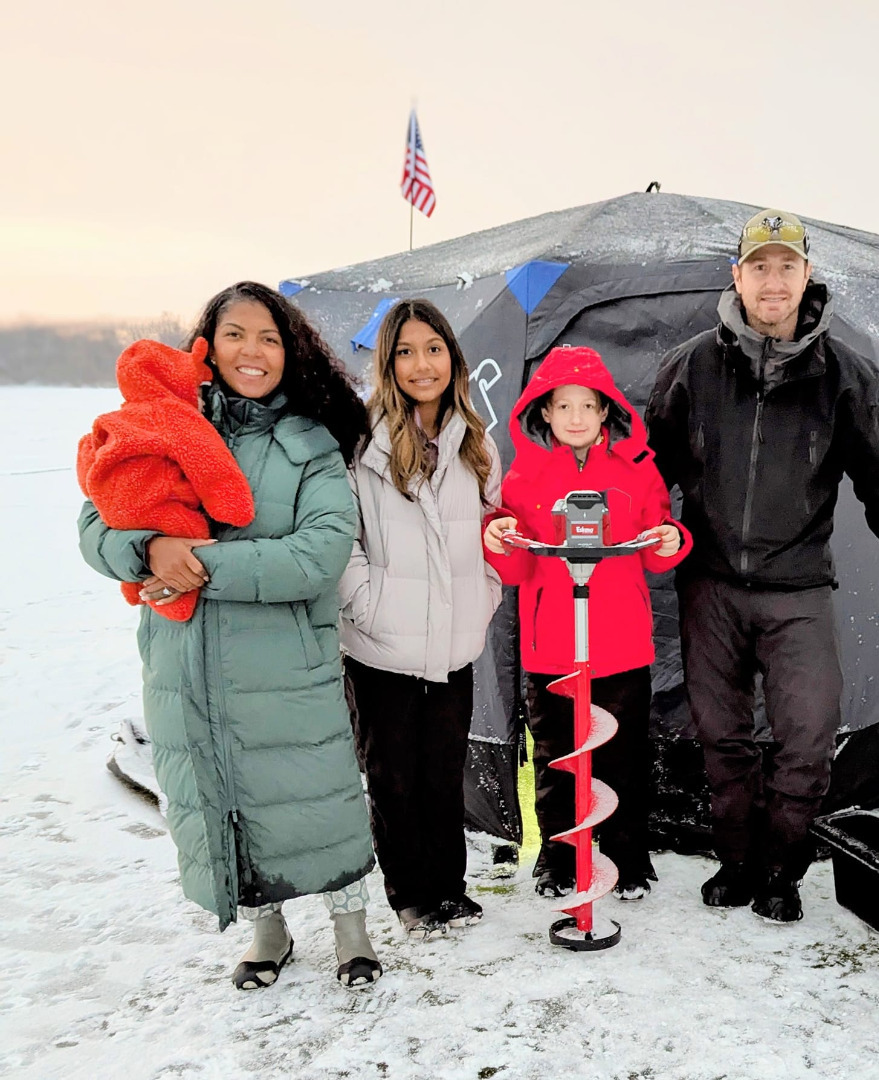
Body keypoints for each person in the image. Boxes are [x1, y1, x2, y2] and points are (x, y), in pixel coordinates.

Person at [645, 208, 879, 922]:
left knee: (808, 737)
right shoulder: (691, 365)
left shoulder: (845, 374)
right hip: (710, 587)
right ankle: (736, 863)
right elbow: (646, 469)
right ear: (737, 276)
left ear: (807, 274)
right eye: (759, 266)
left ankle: (781, 870)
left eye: (786, 265)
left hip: (799, 591)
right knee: (721, 741)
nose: (773, 280)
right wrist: (640, 528)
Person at [78, 281, 382, 990]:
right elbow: (95, 525)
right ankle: (267, 931)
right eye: (236, 334)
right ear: (205, 345)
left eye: (269, 337)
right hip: (187, 665)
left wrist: (200, 565)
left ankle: (352, 928)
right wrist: (150, 548)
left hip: (285, 663)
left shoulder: (309, 442)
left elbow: (319, 555)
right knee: (226, 800)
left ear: (291, 351)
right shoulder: (156, 423)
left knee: (318, 796)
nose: (252, 350)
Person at [483, 345, 692, 900]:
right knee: (556, 759)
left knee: (622, 758)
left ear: (606, 412)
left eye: (587, 405)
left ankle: (628, 854)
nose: (576, 417)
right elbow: (516, 564)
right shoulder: (524, 477)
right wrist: (499, 536)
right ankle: (557, 857)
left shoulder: (636, 474)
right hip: (549, 645)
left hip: (620, 646)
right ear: (544, 413)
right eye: (563, 405)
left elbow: (657, 547)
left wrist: (673, 538)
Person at [338, 298, 502, 940]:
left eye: (432, 348)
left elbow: (496, 534)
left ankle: (450, 887)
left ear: (452, 358)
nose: (420, 363)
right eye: (404, 351)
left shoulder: (476, 441)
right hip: (381, 645)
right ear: (388, 362)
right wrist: (366, 601)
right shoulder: (362, 442)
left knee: (444, 771)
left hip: (454, 640)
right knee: (393, 778)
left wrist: (483, 595)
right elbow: (343, 540)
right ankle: (410, 893)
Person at [75, 335, 255, 622]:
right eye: (198, 390)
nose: (203, 402)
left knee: (158, 548)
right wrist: (233, 507)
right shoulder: (176, 414)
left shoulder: (117, 418)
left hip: (115, 511)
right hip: (158, 504)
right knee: (191, 535)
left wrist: (103, 492)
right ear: (176, 384)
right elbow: (210, 464)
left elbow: (88, 452)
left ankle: (136, 587)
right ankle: (173, 602)